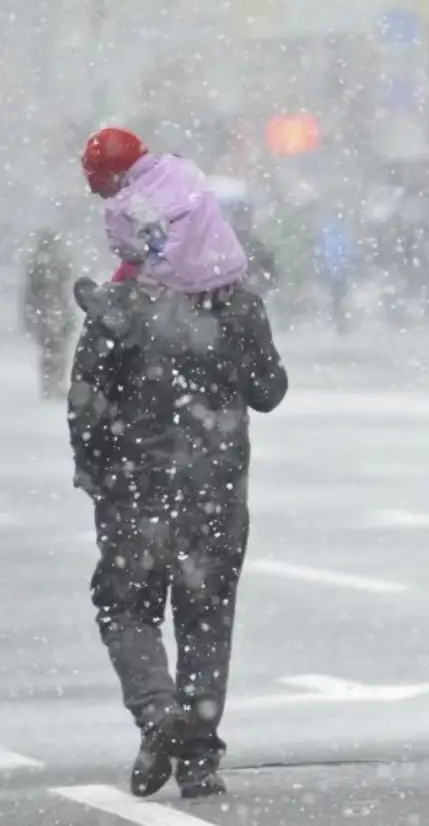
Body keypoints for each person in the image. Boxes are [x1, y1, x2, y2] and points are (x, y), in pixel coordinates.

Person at [71, 129, 287, 800]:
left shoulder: (117, 311)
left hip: (135, 492)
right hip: (219, 492)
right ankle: (197, 757)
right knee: (206, 615)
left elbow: (85, 404)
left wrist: (95, 470)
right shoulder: (238, 305)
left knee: (125, 608)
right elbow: (269, 392)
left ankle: (157, 713)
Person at [80, 128, 248, 292]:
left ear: (111, 177)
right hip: (230, 272)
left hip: (182, 286)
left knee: (128, 284)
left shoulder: (122, 205)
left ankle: (103, 299)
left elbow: (129, 252)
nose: (99, 194)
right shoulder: (181, 167)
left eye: (100, 187)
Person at [21, 229, 76, 400]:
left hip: (49, 311)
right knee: (54, 350)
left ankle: (52, 384)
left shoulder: (41, 265)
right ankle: (52, 384)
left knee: (53, 350)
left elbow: (31, 293)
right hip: (51, 311)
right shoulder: (49, 265)